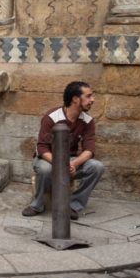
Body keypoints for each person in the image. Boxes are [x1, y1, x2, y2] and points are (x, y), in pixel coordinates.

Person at [22, 81, 104, 221]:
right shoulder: (52, 117)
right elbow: (42, 148)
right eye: (88, 96)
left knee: (97, 167)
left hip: (70, 162)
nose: (92, 100)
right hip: (48, 160)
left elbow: (89, 150)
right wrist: (61, 164)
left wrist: (74, 164)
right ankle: (37, 205)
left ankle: (72, 205)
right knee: (45, 169)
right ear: (75, 99)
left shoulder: (88, 121)